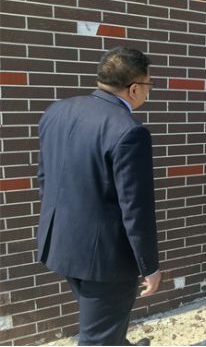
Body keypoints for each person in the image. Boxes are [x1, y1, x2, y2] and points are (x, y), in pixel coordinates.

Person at [36, 47, 161, 346]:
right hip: (106, 261)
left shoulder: (56, 111)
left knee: (104, 324)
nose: (149, 91)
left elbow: (45, 178)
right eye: (149, 84)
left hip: (62, 244)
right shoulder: (129, 130)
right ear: (134, 88)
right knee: (98, 337)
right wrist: (150, 266)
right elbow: (136, 209)